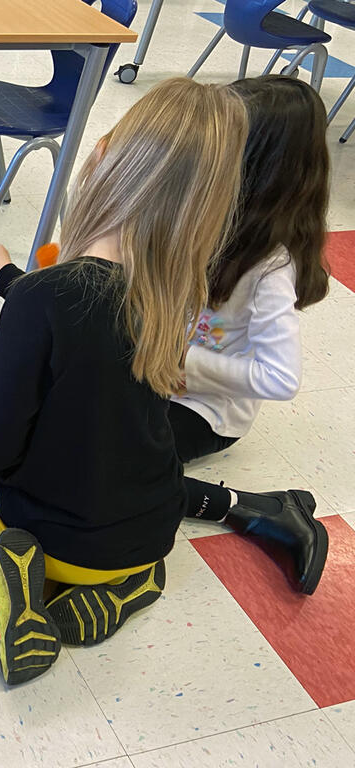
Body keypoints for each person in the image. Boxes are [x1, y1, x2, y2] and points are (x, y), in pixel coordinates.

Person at [0, 78, 258, 686]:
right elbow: (92, 325)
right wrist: (11, 278)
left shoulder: (44, 299)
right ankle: (131, 584)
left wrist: (22, 300)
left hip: (52, 539)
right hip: (149, 534)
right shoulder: (176, 294)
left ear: (101, 159)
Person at [168, 75, 331, 591]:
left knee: (109, 467)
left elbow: (280, 378)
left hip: (206, 410)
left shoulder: (269, 265)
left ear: (254, 164)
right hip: (154, 375)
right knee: (73, 431)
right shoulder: (205, 212)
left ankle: (258, 510)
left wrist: (184, 364)